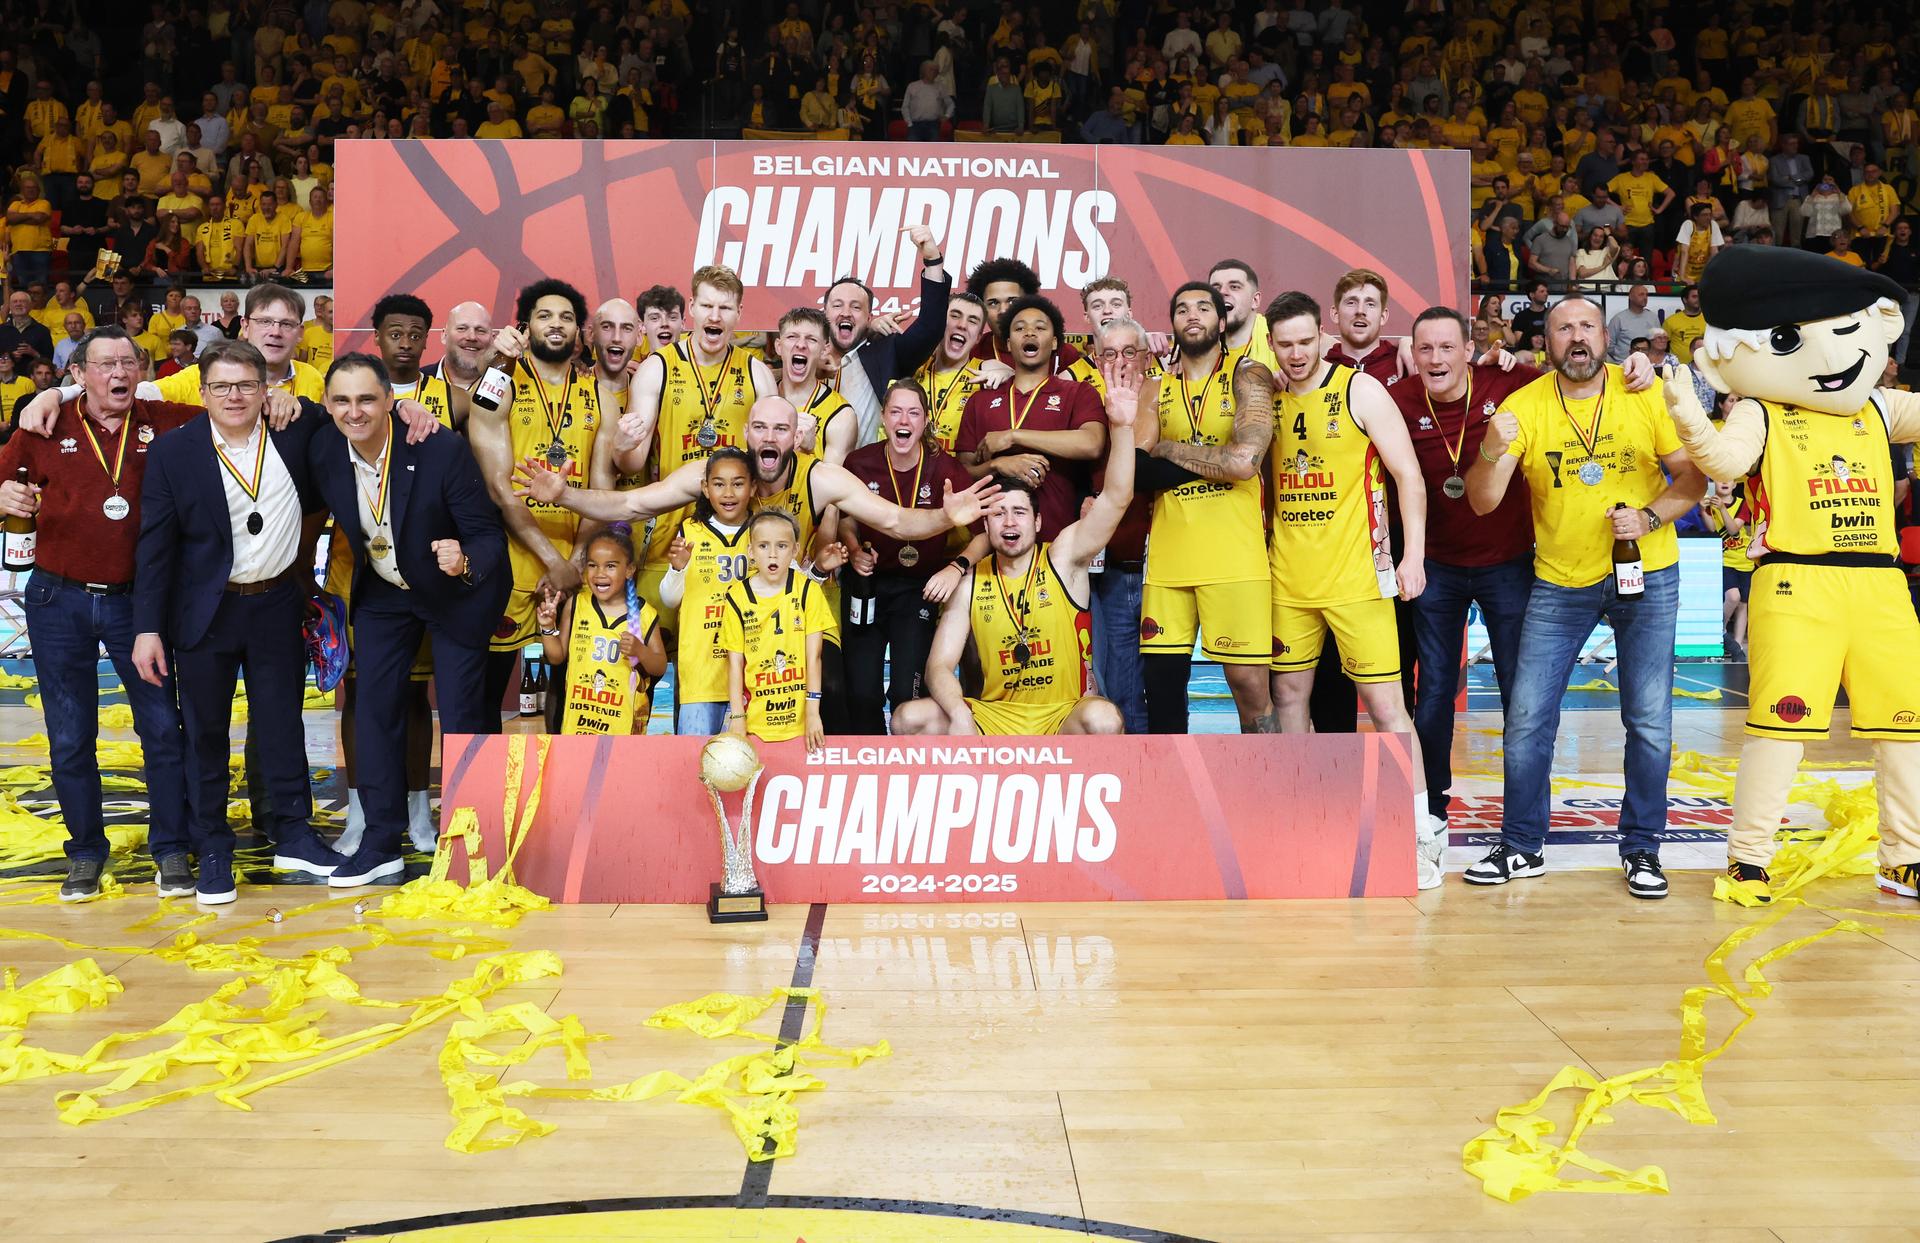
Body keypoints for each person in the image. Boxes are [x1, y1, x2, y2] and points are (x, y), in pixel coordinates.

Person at [1663, 247, 1920, 905]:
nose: (1834, 359)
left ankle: (1904, 859)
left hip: (1880, 585)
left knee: (1906, 729)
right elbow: (1721, 461)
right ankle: (1749, 859)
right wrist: (1691, 415)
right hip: (1796, 583)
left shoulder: (1879, 408)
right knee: (1781, 732)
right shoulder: (1764, 412)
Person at [1463, 297, 1706, 899]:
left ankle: (1643, 849)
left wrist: (1649, 517)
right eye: (1563, 328)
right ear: (1545, 341)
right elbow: (1481, 502)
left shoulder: (1642, 395)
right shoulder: (1523, 406)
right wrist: (1493, 448)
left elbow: (1694, 481)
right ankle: (1521, 846)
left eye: (1587, 327)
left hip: (1647, 576)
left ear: (1607, 336)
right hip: (1559, 580)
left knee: (1648, 721)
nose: (1577, 338)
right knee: (1526, 720)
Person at [130, 340, 340, 903]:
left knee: (281, 726)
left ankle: (294, 832)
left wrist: (405, 406)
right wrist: (146, 627)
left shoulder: (294, 430)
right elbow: (155, 545)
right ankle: (214, 845)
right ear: (201, 393)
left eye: (246, 385)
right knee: (205, 734)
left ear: (265, 388)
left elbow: (350, 408)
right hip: (206, 611)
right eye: (221, 386)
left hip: (275, 605)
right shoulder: (175, 452)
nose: (234, 396)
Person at [0, 327, 199, 902]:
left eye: (129, 362)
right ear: (79, 373)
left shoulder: (166, 421)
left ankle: (170, 848)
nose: (119, 372)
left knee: (162, 729)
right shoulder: (41, 426)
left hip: (140, 604)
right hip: (56, 599)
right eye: (105, 363)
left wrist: (281, 396)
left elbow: (234, 399)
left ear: (140, 370)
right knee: (69, 737)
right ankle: (86, 851)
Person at [302, 353, 510, 888]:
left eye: (368, 399)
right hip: (384, 591)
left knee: (462, 712)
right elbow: (272, 414)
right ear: (326, 405)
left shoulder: (438, 448)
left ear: (390, 401)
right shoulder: (323, 443)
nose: (355, 412)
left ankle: (472, 839)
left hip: (454, 593)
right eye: (342, 401)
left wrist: (463, 559)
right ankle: (380, 843)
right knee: (372, 707)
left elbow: (487, 535)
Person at [1264, 290, 1432, 838]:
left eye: (1306, 341)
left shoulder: (1359, 389)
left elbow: (1408, 474)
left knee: (1386, 709)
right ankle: (1299, 816)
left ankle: (1419, 829)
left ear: (1324, 337)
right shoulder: (1265, 400)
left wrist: (1413, 557)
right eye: (1285, 344)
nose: (1296, 353)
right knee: (1289, 699)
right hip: (1287, 581)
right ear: (1272, 344)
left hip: (1359, 579)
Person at [892, 360, 1135, 737]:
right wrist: (959, 713)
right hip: (995, 718)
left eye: (1020, 512)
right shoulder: (972, 581)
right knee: (910, 718)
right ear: (985, 525)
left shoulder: (1064, 557)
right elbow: (938, 667)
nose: (1009, 522)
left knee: (1103, 717)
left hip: (1061, 715)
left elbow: (1118, 497)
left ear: (1037, 523)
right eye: (999, 514)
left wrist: (1121, 427)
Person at [1393, 307, 1546, 887]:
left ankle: (1523, 823)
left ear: (1468, 349)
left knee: (1518, 693)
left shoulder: (1510, 381)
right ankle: (1432, 807)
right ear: (1413, 352)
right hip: (1435, 564)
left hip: (1509, 562)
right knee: (1431, 692)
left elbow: (1576, 379)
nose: (1436, 360)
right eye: (1425, 349)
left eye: (1446, 348)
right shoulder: (1401, 398)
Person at [459, 278, 620, 710]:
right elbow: (498, 486)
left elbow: (602, 492)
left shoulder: (601, 396)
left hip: (578, 562)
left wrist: (575, 561)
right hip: (511, 560)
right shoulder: (501, 384)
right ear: (525, 327)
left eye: (566, 317)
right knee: (487, 693)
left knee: (572, 696)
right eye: (544, 315)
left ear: (578, 333)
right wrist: (552, 560)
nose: (556, 324)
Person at [1133, 281, 1273, 733]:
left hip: (1235, 558)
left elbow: (1246, 461)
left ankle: (1266, 785)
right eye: (1181, 309)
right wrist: (1217, 458)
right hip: (1170, 562)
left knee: (1250, 687)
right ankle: (1171, 794)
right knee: (1163, 687)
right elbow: (1138, 471)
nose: (1192, 315)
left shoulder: (1248, 373)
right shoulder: (1155, 387)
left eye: (1203, 307)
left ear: (1221, 318)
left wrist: (1170, 447)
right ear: (1171, 323)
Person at [611, 265, 773, 623]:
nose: (715, 316)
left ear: (739, 314)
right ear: (692, 309)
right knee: (650, 662)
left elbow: (770, 466)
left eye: (726, 308)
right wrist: (621, 446)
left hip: (736, 541)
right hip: (668, 537)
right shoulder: (658, 367)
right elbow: (632, 463)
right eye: (707, 306)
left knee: (729, 658)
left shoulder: (757, 373)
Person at [837, 379, 982, 734]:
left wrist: (955, 567)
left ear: (926, 421)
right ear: (883, 418)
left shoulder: (945, 468)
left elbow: (984, 537)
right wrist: (854, 550)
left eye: (914, 412)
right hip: (866, 585)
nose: (904, 420)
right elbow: (844, 521)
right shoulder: (859, 462)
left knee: (908, 692)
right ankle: (866, 773)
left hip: (918, 589)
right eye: (896, 411)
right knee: (862, 693)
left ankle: (906, 773)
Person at [954, 295, 1108, 544]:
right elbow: (963, 472)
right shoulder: (980, 401)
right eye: (1019, 328)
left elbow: (1092, 443)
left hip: (1058, 546)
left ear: (1055, 341)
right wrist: (998, 465)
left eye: (1040, 327)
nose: (1029, 333)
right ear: (1008, 342)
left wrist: (1014, 435)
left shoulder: (1078, 392)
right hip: (993, 547)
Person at [719, 509, 844, 749]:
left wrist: (813, 712)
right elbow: (734, 663)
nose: (773, 554)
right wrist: (737, 717)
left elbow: (814, 657)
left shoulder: (808, 591)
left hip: (800, 721)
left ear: (795, 550)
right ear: (751, 551)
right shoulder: (736, 597)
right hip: (756, 722)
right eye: (764, 546)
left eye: (782, 546)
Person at [820, 226, 951, 443]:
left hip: (864, 473)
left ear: (869, 317)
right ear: (824, 313)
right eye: (837, 305)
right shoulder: (805, 352)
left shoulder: (887, 353)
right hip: (808, 471)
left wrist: (932, 260)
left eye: (855, 307)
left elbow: (931, 326)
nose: (845, 312)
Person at [537, 525, 666, 735]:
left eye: (610, 566)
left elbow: (659, 666)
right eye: (592, 565)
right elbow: (557, 657)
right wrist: (548, 627)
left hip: (623, 727)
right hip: (578, 724)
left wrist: (640, 651)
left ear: (629, 570)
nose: (600, 574)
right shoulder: (576, 604)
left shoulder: (645, 614)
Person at [913, 291, 990, 449]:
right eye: (955, 315)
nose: (962, 325)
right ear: (940, 322)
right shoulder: (912, 365)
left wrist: (1007, 373)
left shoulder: (984, 374)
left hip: (958, 471)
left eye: (973, 321)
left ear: (978, 337)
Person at [1208, 258, 1279, 373]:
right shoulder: (1195, 346)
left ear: (1255, 300)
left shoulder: (1279, 337)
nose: (1222, 292)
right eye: (1216, 288)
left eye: (1234, 287)